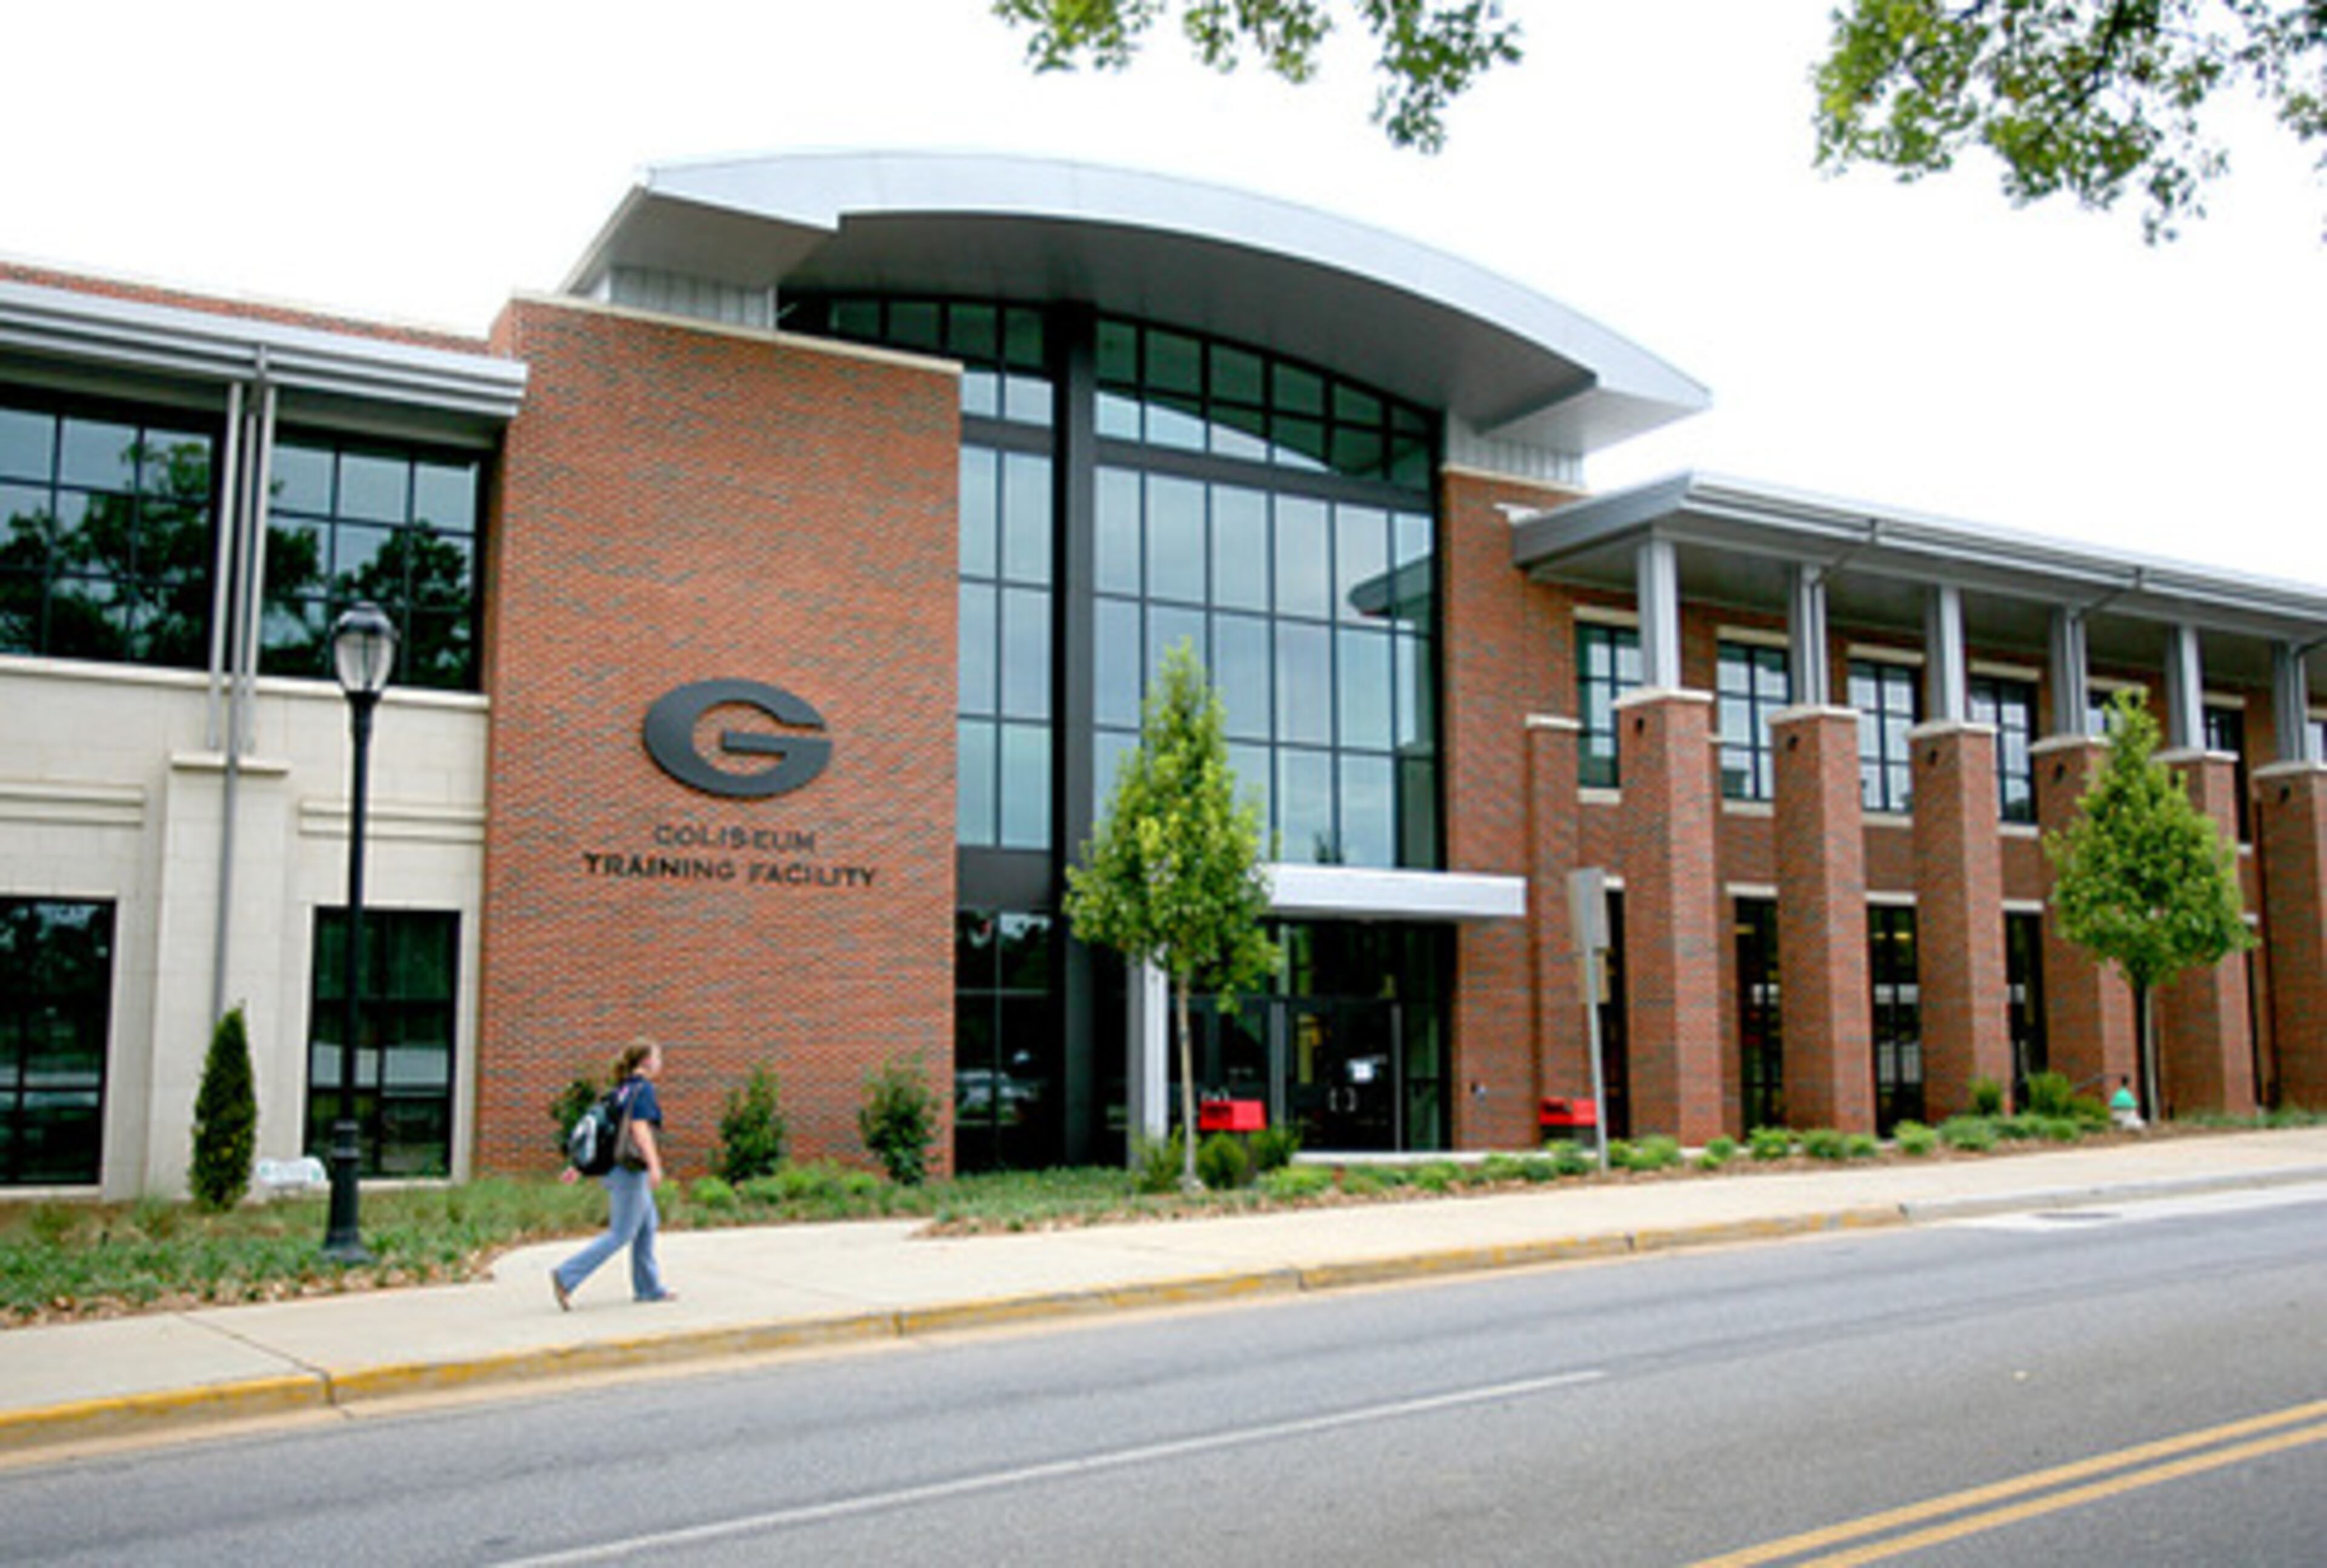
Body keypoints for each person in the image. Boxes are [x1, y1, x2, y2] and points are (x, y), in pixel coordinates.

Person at [551, 1039, 677, 1307]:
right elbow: (639, 1129)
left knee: (647, 1225)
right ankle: (567, 1276)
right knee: (621, 1233)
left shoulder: (620, 1091)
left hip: (615, 1168)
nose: (660, 1063)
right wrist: (655, 1165)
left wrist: (579, 1166)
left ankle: (649, 1288)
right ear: (645, 1061)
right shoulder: (643, 1090)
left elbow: (603, 1132)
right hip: (629, 1170)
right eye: (658, 1057)